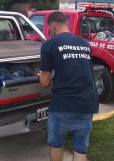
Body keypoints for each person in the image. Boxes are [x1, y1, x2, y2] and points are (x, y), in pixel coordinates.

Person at [39, 11, 99, 161]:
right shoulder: (84, 43)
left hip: (63, 105)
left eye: (49, 28)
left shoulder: (49, 44)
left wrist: (44, 76)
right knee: (80, 148)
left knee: (57, 145)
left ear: (52, 26)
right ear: (65, 24)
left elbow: (45, 82)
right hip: (87, 103)